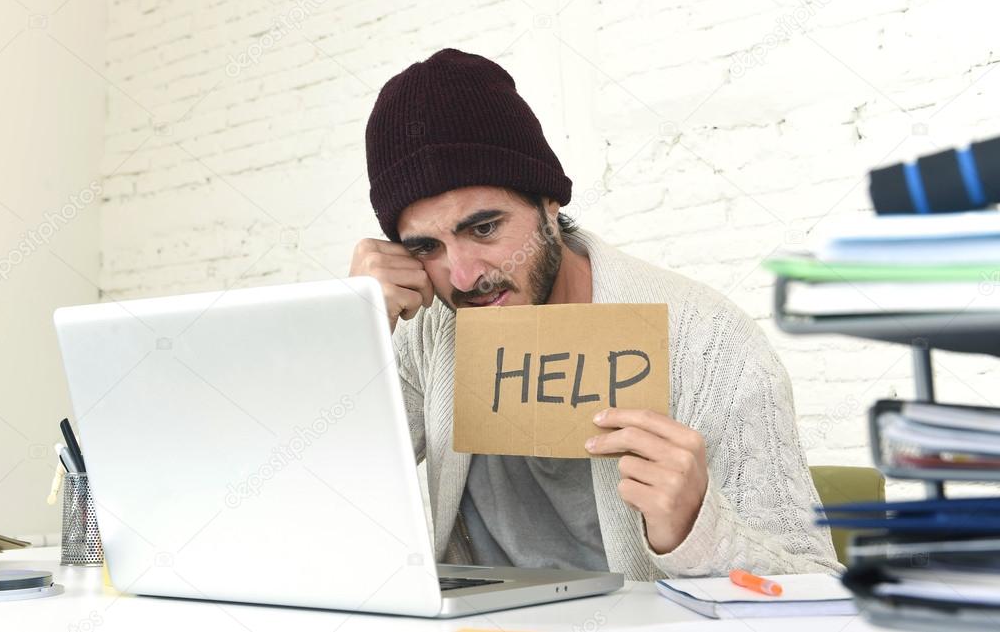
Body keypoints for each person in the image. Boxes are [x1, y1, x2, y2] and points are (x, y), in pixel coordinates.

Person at [349, 47, 841, 579]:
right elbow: (329, 501)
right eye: (427, 248)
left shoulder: (709, 341)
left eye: (484, 228)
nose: (463, 276)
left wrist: (697, 530)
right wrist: (350, 333)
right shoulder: (427, 329)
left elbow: (814, 585)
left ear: (548, 203)